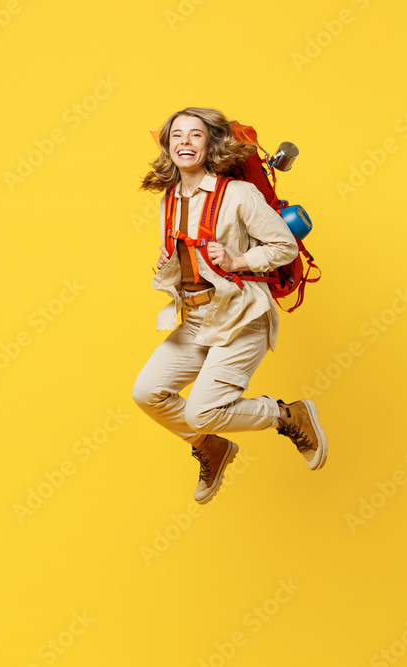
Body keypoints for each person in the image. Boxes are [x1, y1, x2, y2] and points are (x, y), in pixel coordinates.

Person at [131, 107, 329, 504]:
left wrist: (239, 261)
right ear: (168, 148)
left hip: (242, 316)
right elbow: (187, 261)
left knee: (201, 411)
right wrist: (168, 263)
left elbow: (283, 246)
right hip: (198, 318)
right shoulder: (169, 200)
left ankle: (287, 415)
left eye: (195, 135)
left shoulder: (238, 194)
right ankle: (212, 447)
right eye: (177, 136)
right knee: (147, 393)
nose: (185, 142)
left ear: (210, 146)